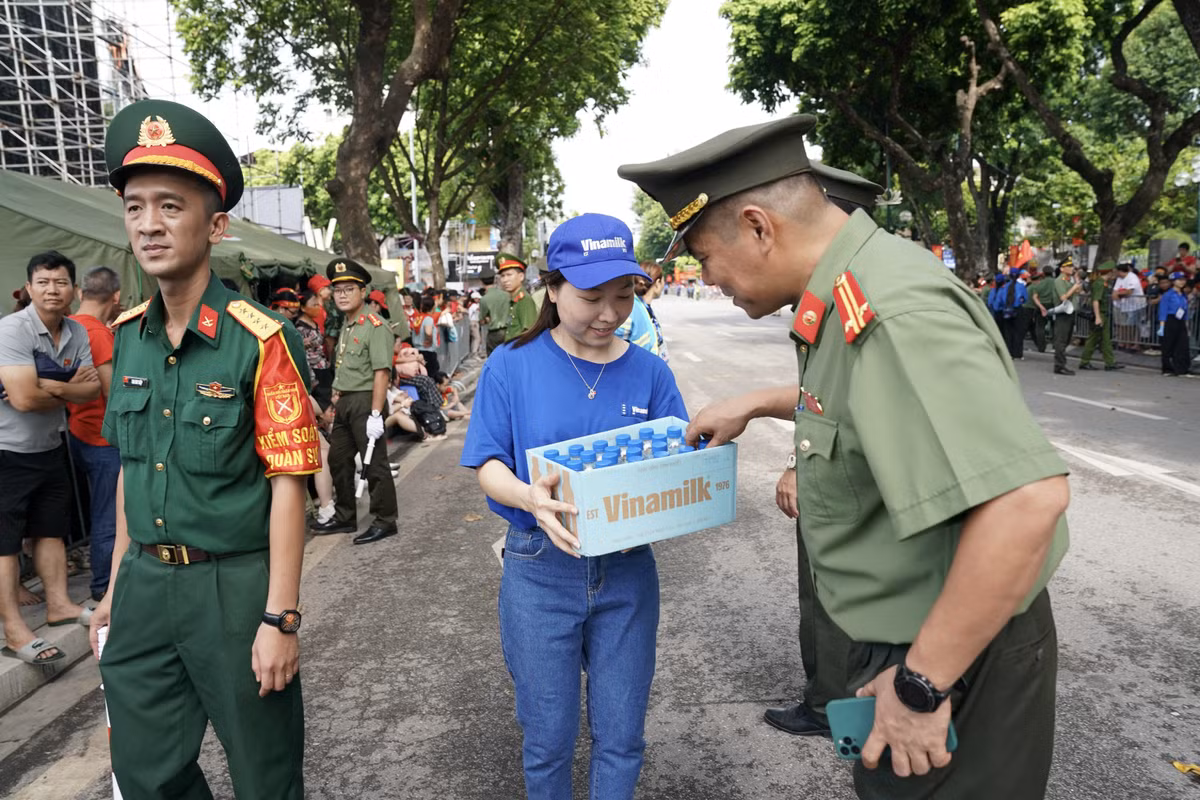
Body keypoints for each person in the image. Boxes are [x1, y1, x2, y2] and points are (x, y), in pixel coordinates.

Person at [619, 114, 1070, 800]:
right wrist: (761, 403)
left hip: (952, 655)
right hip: (923, 640)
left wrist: (921, 685)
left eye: (705, 257)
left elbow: (1025, 501)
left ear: (758, 227)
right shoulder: (848, 292)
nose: (706, 277)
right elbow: (867, 405)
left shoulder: (887, 310)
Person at [86, 99, 318, 799]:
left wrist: (280, 617)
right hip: (144, 586)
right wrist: (116, 587)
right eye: (135, 208)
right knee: (145, 774)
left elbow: (288, 483)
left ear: (215, 226)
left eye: (170, 206)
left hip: (233, 589)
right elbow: (131, 468)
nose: (149, 224)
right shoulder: (127, 336)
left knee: (264, 776)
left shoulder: (261, 338)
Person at [461, 214, 687, 800]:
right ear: (553, 288)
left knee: (622, 737)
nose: (609, 313)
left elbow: (678, 457)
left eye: (624, 295)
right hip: (539, 569)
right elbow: (488, 462)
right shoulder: (512, 364)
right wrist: (529, 497)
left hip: (628, 568)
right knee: (547, 740)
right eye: (591, 297)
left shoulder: (651, 372)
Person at [0, 251, 99, 665]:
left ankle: (59, 605)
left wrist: (51, 386)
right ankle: (13, 628)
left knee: (51, 531)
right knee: (5, 544)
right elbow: (23, 399)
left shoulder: (75, 331)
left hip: (50, 445)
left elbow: (92, 390)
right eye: (43, 282)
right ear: (29, 288)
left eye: (60, 282)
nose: (52, 290)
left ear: (74, 290)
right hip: (8, 450)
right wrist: (65, 386)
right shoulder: (13, 329)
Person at [310, 258, 399, 545]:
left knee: (374, 464)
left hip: (366, 401)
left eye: (349, 289)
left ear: (363, 292)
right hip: (346, 401)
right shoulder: (348, 325)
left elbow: (381, 372)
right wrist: (336, 397)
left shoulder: (375, 325)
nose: (343, 295)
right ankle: (345, 515)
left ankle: (385, 519)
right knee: (338, 459)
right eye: (338, 290)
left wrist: (375, 413)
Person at [68, 265, 124, 601]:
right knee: (109, 517)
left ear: (80, 292)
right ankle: (104, 587)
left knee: (100, 513)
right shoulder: (98, 334)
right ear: (116, 297)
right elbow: (114, 394)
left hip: (78, 431)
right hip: (104, 439)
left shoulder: (69, 326)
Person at [1077, 261, 1124, 371]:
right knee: (1093, 339)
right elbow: (1096, 301)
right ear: (1110, 272)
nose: (1115, 274)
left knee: (1106, 339)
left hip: (1103, 313)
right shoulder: (1099, 284)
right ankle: (1085, 361)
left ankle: (1110, 362)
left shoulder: (1103, 283)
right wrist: (1098, 317)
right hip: (1100, 314)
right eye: (1113, 271)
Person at [1049, 257, 1081, 375]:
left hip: (1069, 312)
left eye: (1072, 266)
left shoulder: (1068, 280)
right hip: (1062, 313)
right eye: (1069, 266)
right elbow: (1063, 297)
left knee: (1066, 339)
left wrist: (1076, 280)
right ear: (1062, 269)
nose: (1072, 268)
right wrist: (1073, 288)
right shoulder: (1059, 281)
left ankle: (1060, 364)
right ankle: (1059, 365)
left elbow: (1079, 291)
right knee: (1061, 340)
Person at [496, 252, 538, 341]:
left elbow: (528, 333)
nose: (505, 280)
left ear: (521, 276)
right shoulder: (514, 300)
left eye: (509, 275)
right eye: (502, 276)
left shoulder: (524, 300)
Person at [1159, 271, 1193, 376]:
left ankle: (1182, 368)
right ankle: (1167, 368)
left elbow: (1185, 310)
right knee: (1168, 344)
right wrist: (1162, 326)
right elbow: (1163, 310)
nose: (1182, 282)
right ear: (1173, 281)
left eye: (1183, 280)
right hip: (1170, 320)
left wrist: (1186, 325)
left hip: (1180, 320)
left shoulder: (1183, 295)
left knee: (1182, 345)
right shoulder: (1168, 295)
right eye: (1179, 280)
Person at [479, 269, 510, 355]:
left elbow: (481, 320)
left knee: (493, 357)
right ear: (494, 280)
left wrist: (486, 319)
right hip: (508, 331)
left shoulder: (484, 299)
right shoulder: (506, 295)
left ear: (481, 282)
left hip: (494, 333)